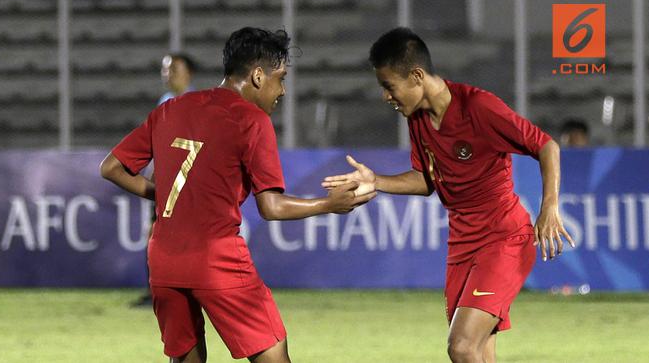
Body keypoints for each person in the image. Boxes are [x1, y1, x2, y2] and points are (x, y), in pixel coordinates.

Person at [101, 27, 375, 363]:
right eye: (280, 78)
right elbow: (271, 206)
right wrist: (328, 204)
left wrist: (166, 196)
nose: (283, 90)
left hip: (163, 258)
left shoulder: (171, 109)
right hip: (216, 258)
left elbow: (111, 167)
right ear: (258, 76)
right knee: (273, 356)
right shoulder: (251, 120)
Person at [322, 27, 574, 363]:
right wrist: (377, 180)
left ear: (416, 76)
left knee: (461, 346)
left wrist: (550, 206)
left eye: (388, 86)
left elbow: (546, 145)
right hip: (462, 245)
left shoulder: (479, 107)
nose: (386, 96)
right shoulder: (417, 120)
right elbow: (427, 181)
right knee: (479, 352)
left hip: (503, 239)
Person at [132, 52, 200, 308]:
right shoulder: (165, 100)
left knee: (174, 237)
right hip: (164, 179)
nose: (167, 74)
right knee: (155, 234)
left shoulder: (195, 103)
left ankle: (181, 293)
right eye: (165, 69)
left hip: (183, 181)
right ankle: (157, 293)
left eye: (173, 69)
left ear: (188, 73)